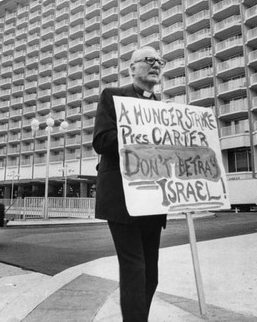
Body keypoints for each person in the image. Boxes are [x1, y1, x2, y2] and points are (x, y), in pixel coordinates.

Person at [92, 46, 167, 322]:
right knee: (134, 269)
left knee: (151, 274)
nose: (156, 64)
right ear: (132, 68)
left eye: (160, 61)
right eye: (149, 60)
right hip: (122, 199)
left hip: (152, 199)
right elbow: (101, 141)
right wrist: (139, 133)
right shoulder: (112, 96)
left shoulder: (161, 107)